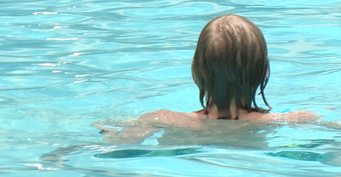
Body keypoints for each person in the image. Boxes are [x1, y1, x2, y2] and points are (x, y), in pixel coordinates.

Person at [126, 15, 317, 132]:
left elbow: (119, 145)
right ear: (264, 72)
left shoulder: (165, 120)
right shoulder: (292, 121)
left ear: (195, 70)